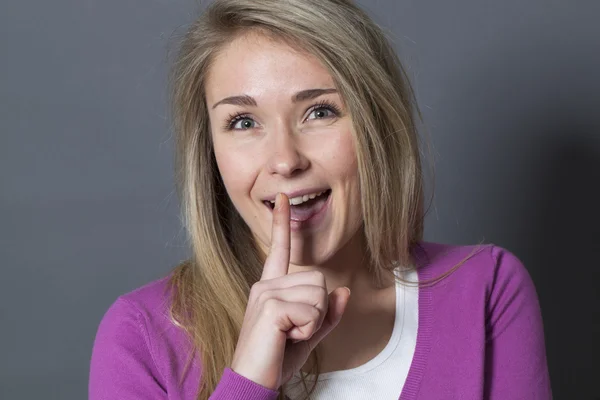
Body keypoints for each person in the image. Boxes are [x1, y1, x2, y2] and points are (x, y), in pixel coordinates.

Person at [89, 0, 552, 399]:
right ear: (209, 151)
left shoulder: (485, 290)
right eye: (243, 122)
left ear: (377, 127)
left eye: (320, 111)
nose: (285, 160)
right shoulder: (142, 337)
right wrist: (249, 382)